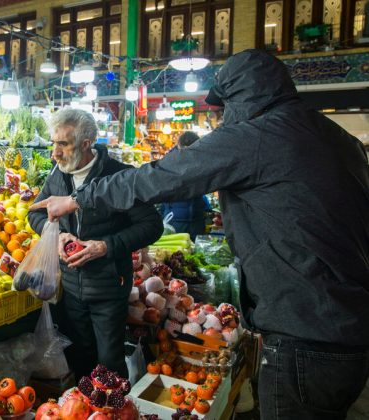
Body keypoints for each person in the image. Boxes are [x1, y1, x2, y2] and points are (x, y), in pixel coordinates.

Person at [30, 49, 369, 419]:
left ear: (241, 98)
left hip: (304, 328)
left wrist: (80, 199)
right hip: (349, 326)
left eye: (223, 107)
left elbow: (162, 176)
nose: (223, 118)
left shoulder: (258, 136)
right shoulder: (337, 138)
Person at [28, 108, 163, 380]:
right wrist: (56, 235)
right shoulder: (59, 175)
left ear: (86, 144)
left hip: (108, 287)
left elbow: (152, 226)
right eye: (54, 143)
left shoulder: (119, 176)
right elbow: (35, 212)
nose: (55, 152)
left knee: (109, 362)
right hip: (70, 288)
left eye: (63, 144)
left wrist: (105, 246)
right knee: (80, 356)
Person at [161, 132, 211, 240]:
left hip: (196, 219)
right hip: (175, 220)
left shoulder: (202, 161)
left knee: (194, 252)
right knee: (176, 254)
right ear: (179, 146)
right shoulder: (169, 163)